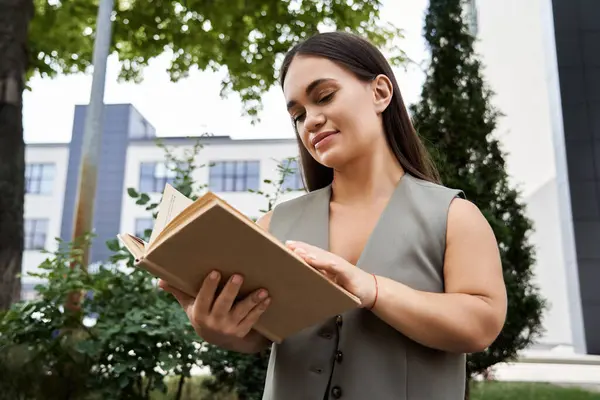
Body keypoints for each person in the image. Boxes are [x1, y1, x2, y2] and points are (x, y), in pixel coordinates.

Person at [159, 31, 507, 400]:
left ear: (380, 92)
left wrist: (370, 289)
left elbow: (481, 324)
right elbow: (259, 333)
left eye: (324, 96)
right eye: (297, 114)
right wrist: (218, 328)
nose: (310, 120)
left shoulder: (455, 216)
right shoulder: (273, 225)